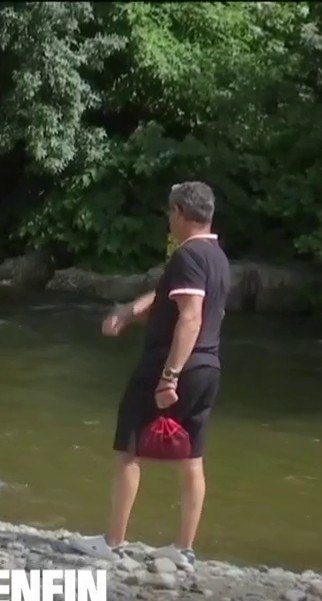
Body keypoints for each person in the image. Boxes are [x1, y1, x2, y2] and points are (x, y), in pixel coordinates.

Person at [71, 181, 231, 570]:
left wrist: (169, 375)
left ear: (179, 212)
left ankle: (113, 542)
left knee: (129, 449)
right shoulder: (217, 257)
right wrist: (128, 313)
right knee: (192, 457)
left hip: (172, 364)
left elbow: (190, 318)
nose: (168, 220)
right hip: (208, 367)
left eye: (169, 212)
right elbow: (165, 299)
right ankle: (184, 548)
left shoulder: (188, 256)